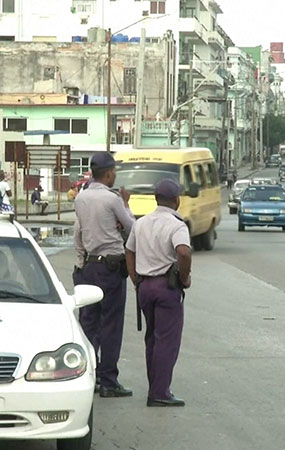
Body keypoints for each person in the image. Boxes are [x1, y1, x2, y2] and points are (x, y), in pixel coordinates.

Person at [73, 152, 135, 398]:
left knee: (89, 323)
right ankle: (109, 380)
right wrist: (126, 205)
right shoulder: (113, 199)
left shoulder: (81, 198)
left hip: (89, 266)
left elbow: (80, 231)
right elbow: (131, 227)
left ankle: (89, 375)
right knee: (111, 324)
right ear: (109, 173)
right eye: (114, 172)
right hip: (110, 267)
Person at [125, 179, 191, 407]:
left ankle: (155, 386)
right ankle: (160, 393)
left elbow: (129, 250)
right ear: (176, 200)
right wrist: (184, 278)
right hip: (166, 288)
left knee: (152, 339)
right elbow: (183, 252)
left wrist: (135, 278)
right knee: (167, 341)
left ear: (155, 198)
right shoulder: (176, 225)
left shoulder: (141, 223)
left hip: (144, 287)